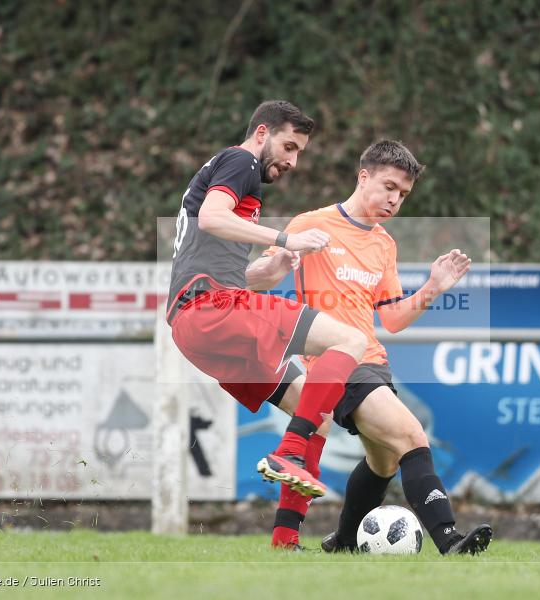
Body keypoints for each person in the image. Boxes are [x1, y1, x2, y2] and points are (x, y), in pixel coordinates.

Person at [250, 140, 493, 554]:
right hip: (337, 363)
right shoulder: (313, 223)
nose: (395, 200)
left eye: (403, 194)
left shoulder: (384, 244)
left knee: (383, 462)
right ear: (363, 177)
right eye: (389, 187)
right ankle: (449, 539)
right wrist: (278, 261)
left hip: (374, 364)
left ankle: (343, 542)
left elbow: (393, 319)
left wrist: (433, 288)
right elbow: (255, 279)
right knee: (413, 437)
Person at [166, 100, 368, 499]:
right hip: (211, 311)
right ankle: (288, 452)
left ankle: (286, 541)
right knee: (351, 341)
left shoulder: (230, 174)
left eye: (299, 152)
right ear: (262, 133)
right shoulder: (240, 162)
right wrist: (285, 238)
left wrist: (265, 273)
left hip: (196, 325)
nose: (293, 161)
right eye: (289, 147)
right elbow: (211, 216)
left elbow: (212, 254)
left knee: (316, 413)